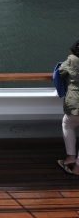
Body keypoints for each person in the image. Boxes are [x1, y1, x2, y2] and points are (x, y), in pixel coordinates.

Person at [58, 40, 79, 175]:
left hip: (75, 102)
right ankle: (77, 167)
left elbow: (61, 72)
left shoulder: (72, 59)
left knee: (68, 125)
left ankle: (71, 157)